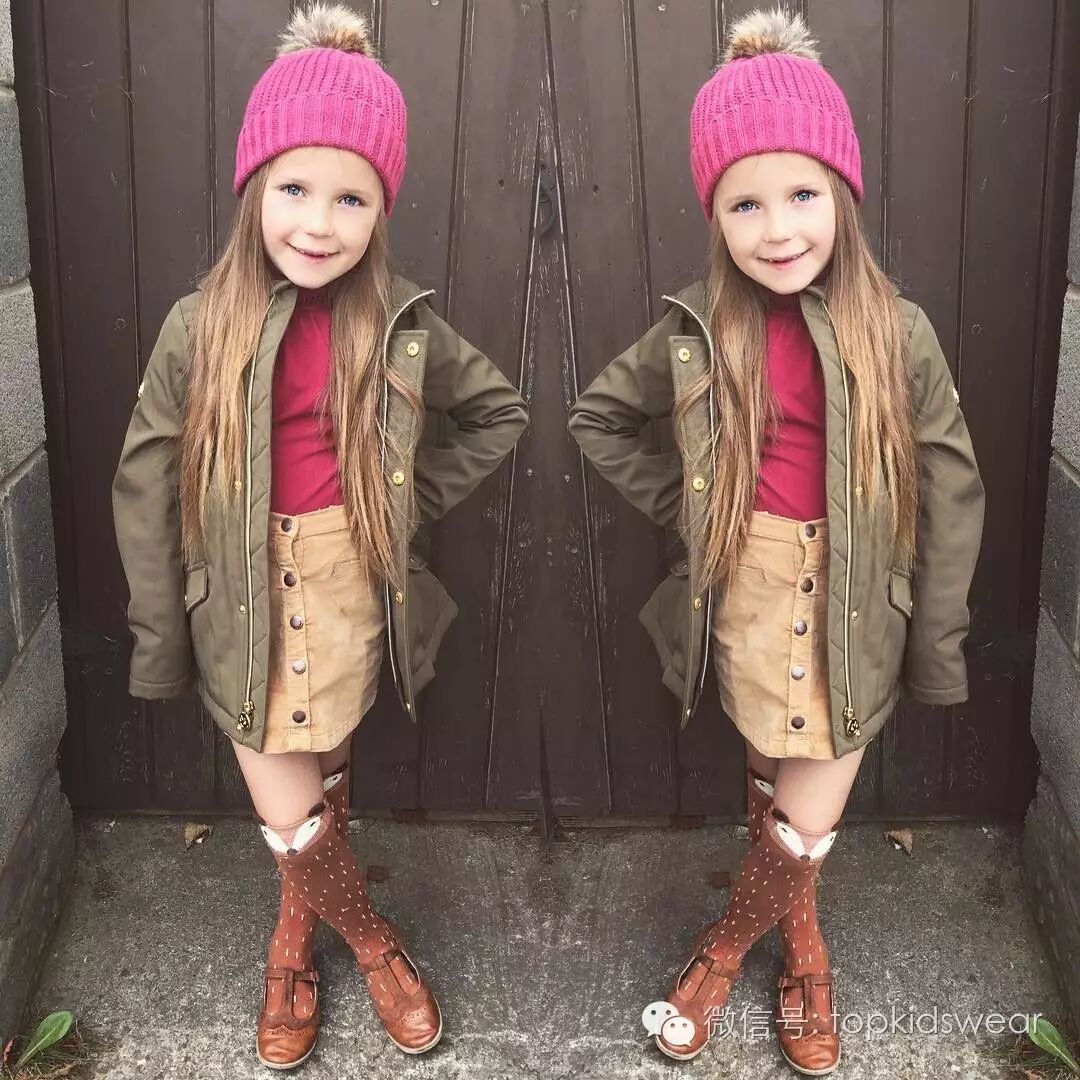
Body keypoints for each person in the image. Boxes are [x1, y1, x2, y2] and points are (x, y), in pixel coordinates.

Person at [112, 3, 528, 1069]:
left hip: (348, 589)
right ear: (255, 188)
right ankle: (363, 942)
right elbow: (145, 483)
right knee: (290, 808)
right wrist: (161, 636)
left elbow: (498, 413)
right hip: (239, 601)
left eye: (352, 198)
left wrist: (397, 498)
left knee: (325, 777)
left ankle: (296, 932)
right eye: (295, 189)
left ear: (380, 210)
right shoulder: (198, 327)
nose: (319, 222)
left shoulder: (398, 326)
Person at [569, 8, 983, 1073]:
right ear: (716, 217)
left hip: (856, 607)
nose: (778, 228)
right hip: (748, 594)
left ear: (842, 194)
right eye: (745, 203)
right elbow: (598, 419)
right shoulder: (699, 330)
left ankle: (732, 954)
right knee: (771, 784)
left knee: (807, 814)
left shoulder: (899, 332)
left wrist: (934, 640)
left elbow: (951, 486)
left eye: (802, 195)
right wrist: (700, 505)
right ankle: (798, 941)